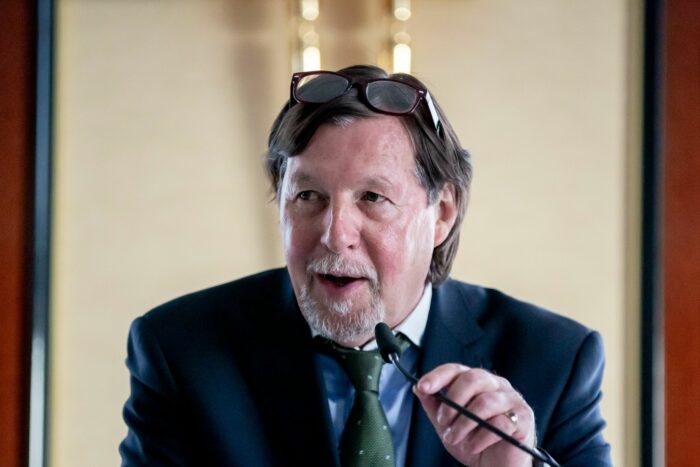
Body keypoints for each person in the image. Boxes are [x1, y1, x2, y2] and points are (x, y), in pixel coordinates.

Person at [119, 65, 611, 467]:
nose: (335, 234)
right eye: (308, 196)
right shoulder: (182, 351)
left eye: (373, 198)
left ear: (441, 213)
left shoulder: (553, 361)